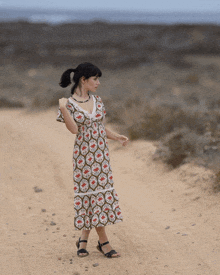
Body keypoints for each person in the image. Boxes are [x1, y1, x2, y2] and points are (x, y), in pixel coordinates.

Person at [56, 62, 129, 258]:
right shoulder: (69, 104)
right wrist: (63, 109)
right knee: (92, 197)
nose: (98, 83)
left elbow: (101, 128)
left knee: (97, 197)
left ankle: (83, 239)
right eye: (95, 79)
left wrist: (117, 136)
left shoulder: (98, 100)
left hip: (101, 157)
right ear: (83, 79)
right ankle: (104, 243)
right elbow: (74, 130)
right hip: (84, 158)